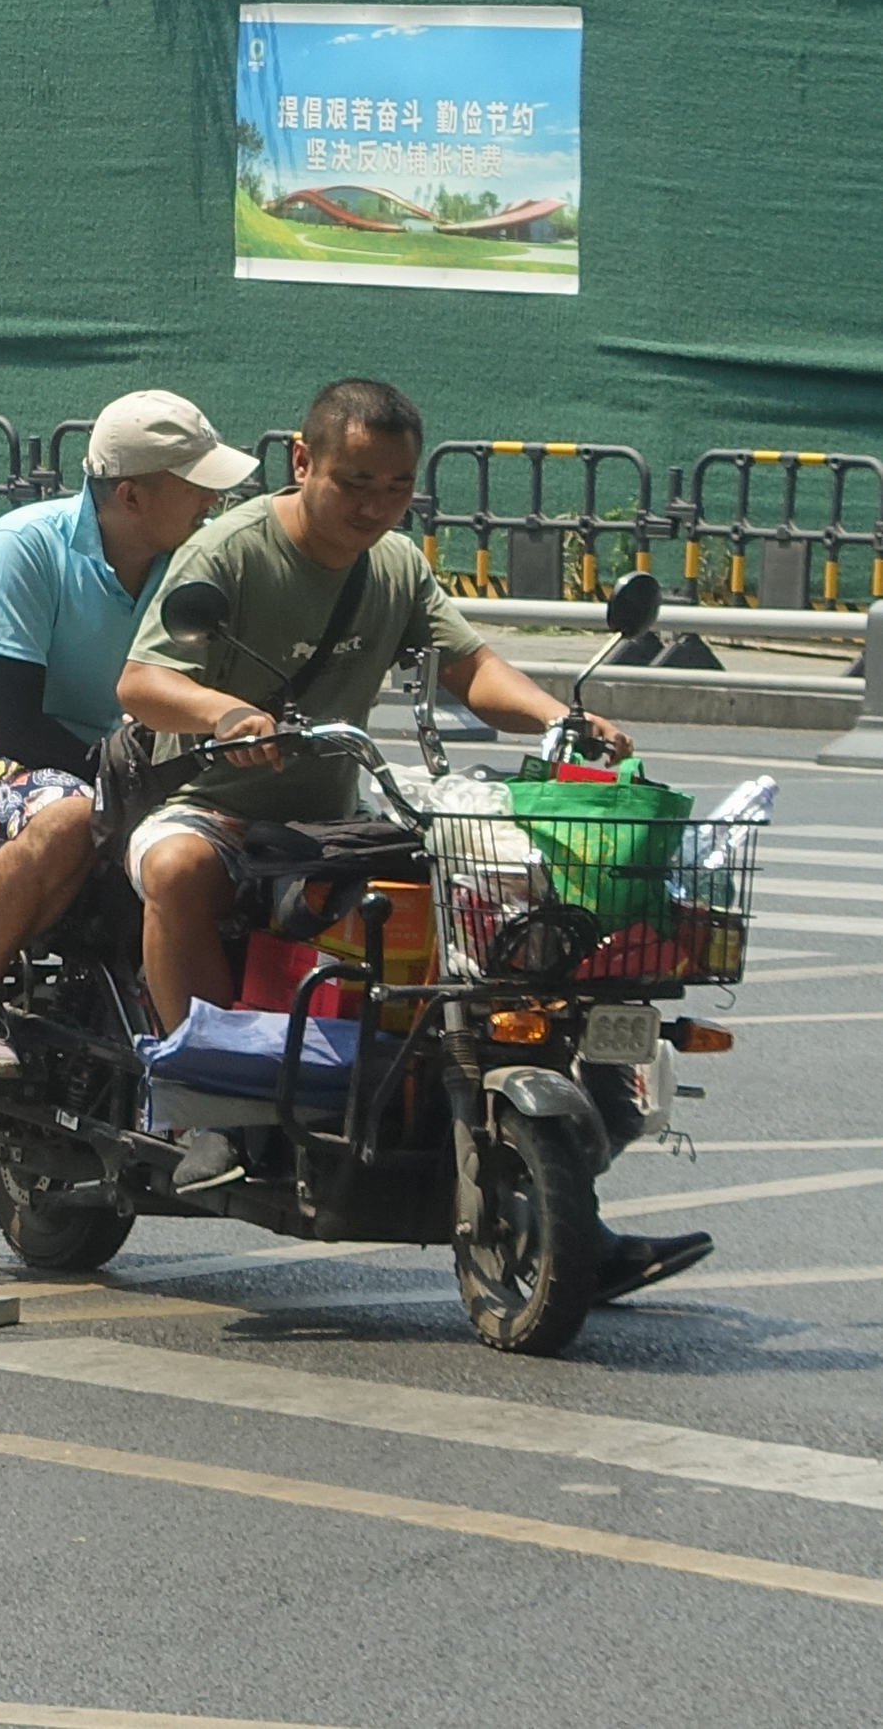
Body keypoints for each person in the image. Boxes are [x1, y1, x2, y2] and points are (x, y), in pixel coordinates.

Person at [111, 378, 712, 1292]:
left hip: (331, 815)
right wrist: (226, 713)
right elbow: (143, 681)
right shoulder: (227, 551)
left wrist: (559, 719)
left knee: (497, 893)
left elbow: (468, 667)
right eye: (355, 481)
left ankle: (531, 1179)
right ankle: (208, 1117)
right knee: (183, 867)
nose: (374, 504)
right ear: (302, 461)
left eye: (395, 486)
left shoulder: (394, 564)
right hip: (210, 800)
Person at [0, 392, 241, 1076]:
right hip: (5, 771)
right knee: (74, 812)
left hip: (139, 769)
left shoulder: (189, 563)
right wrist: (123, 786)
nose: (211, 507)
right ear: (132, 495)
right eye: (197, 490)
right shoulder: (26, 546)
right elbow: (12, 721)